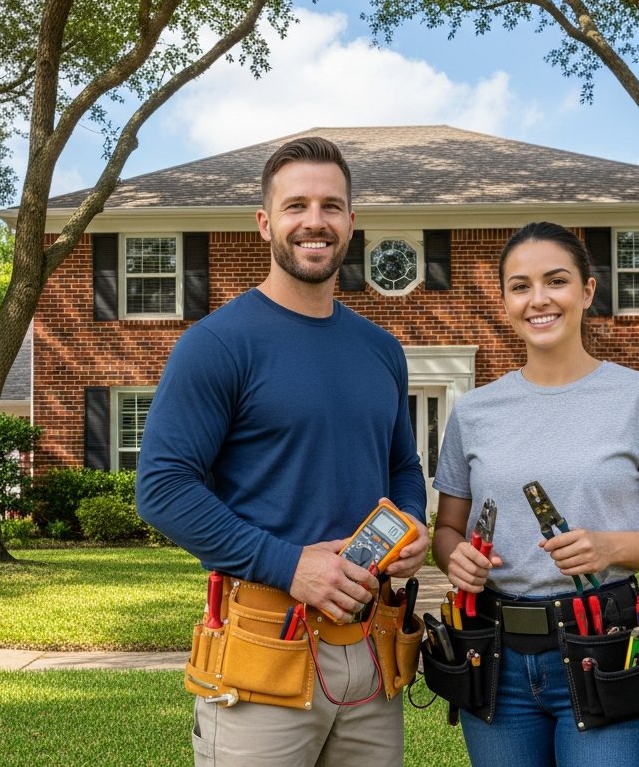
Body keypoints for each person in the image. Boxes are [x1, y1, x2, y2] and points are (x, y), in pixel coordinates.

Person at [136, 136, 429, 767]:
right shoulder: (217, 344)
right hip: (264, 647)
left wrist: (409, 526)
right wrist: (290, 565)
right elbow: (162, 488)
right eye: (296, 206)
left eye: (331, 205)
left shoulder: (382, 350)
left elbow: (401, 465)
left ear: (352, 222)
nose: (314, 221)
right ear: (266, 223)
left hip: (372, 651)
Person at [432, 221, 639, 767]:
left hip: (604, 649)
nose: (539, 299)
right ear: (505, 301)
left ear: (586, 291)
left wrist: (611, 547)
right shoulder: (472, 411)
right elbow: (448, 531)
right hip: (494, 659)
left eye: (555, 281)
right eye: (519, 286)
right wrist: (455, 560)